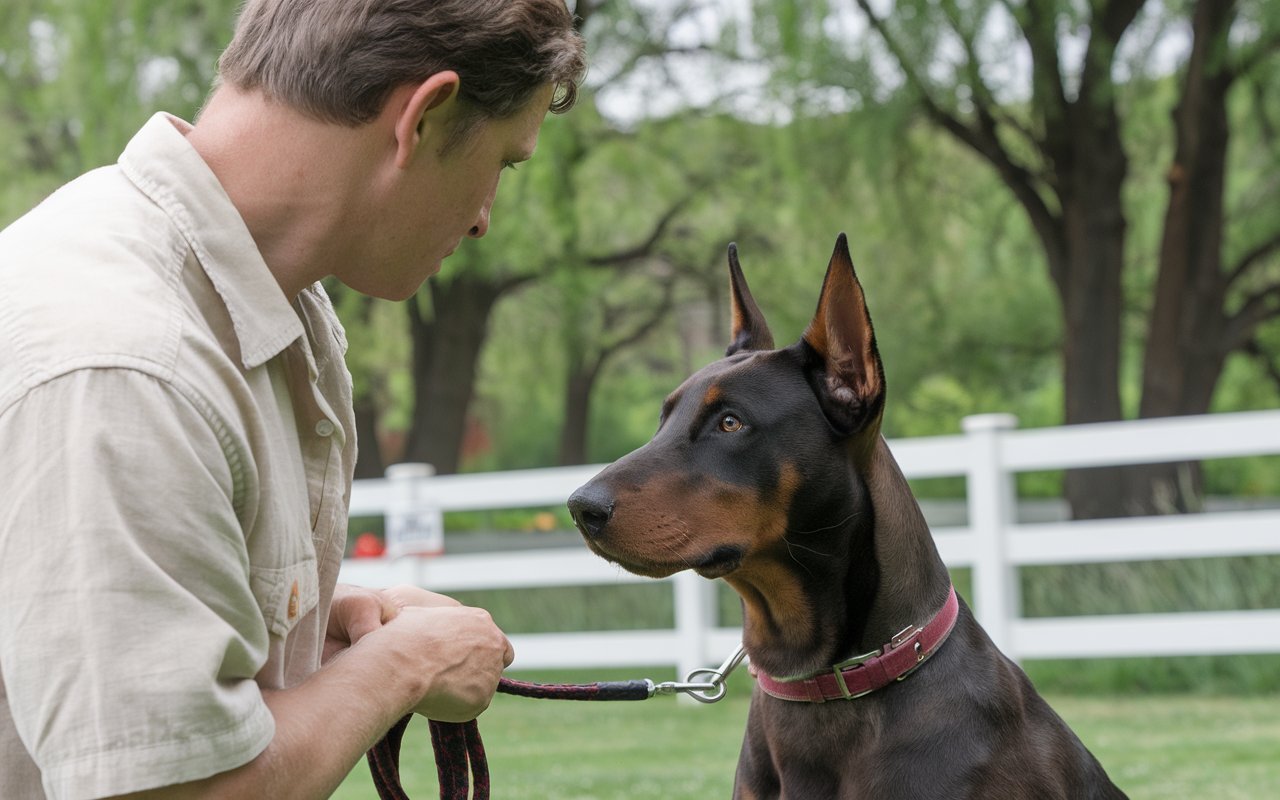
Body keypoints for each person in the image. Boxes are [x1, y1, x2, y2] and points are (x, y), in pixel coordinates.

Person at [0, 0, 587, 797]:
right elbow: (176, 792)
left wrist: (323, 612)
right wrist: (405, 666)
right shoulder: (129, 361)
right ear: (424, 115)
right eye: (503, 164)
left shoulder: (254, 301)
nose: (485, 218)